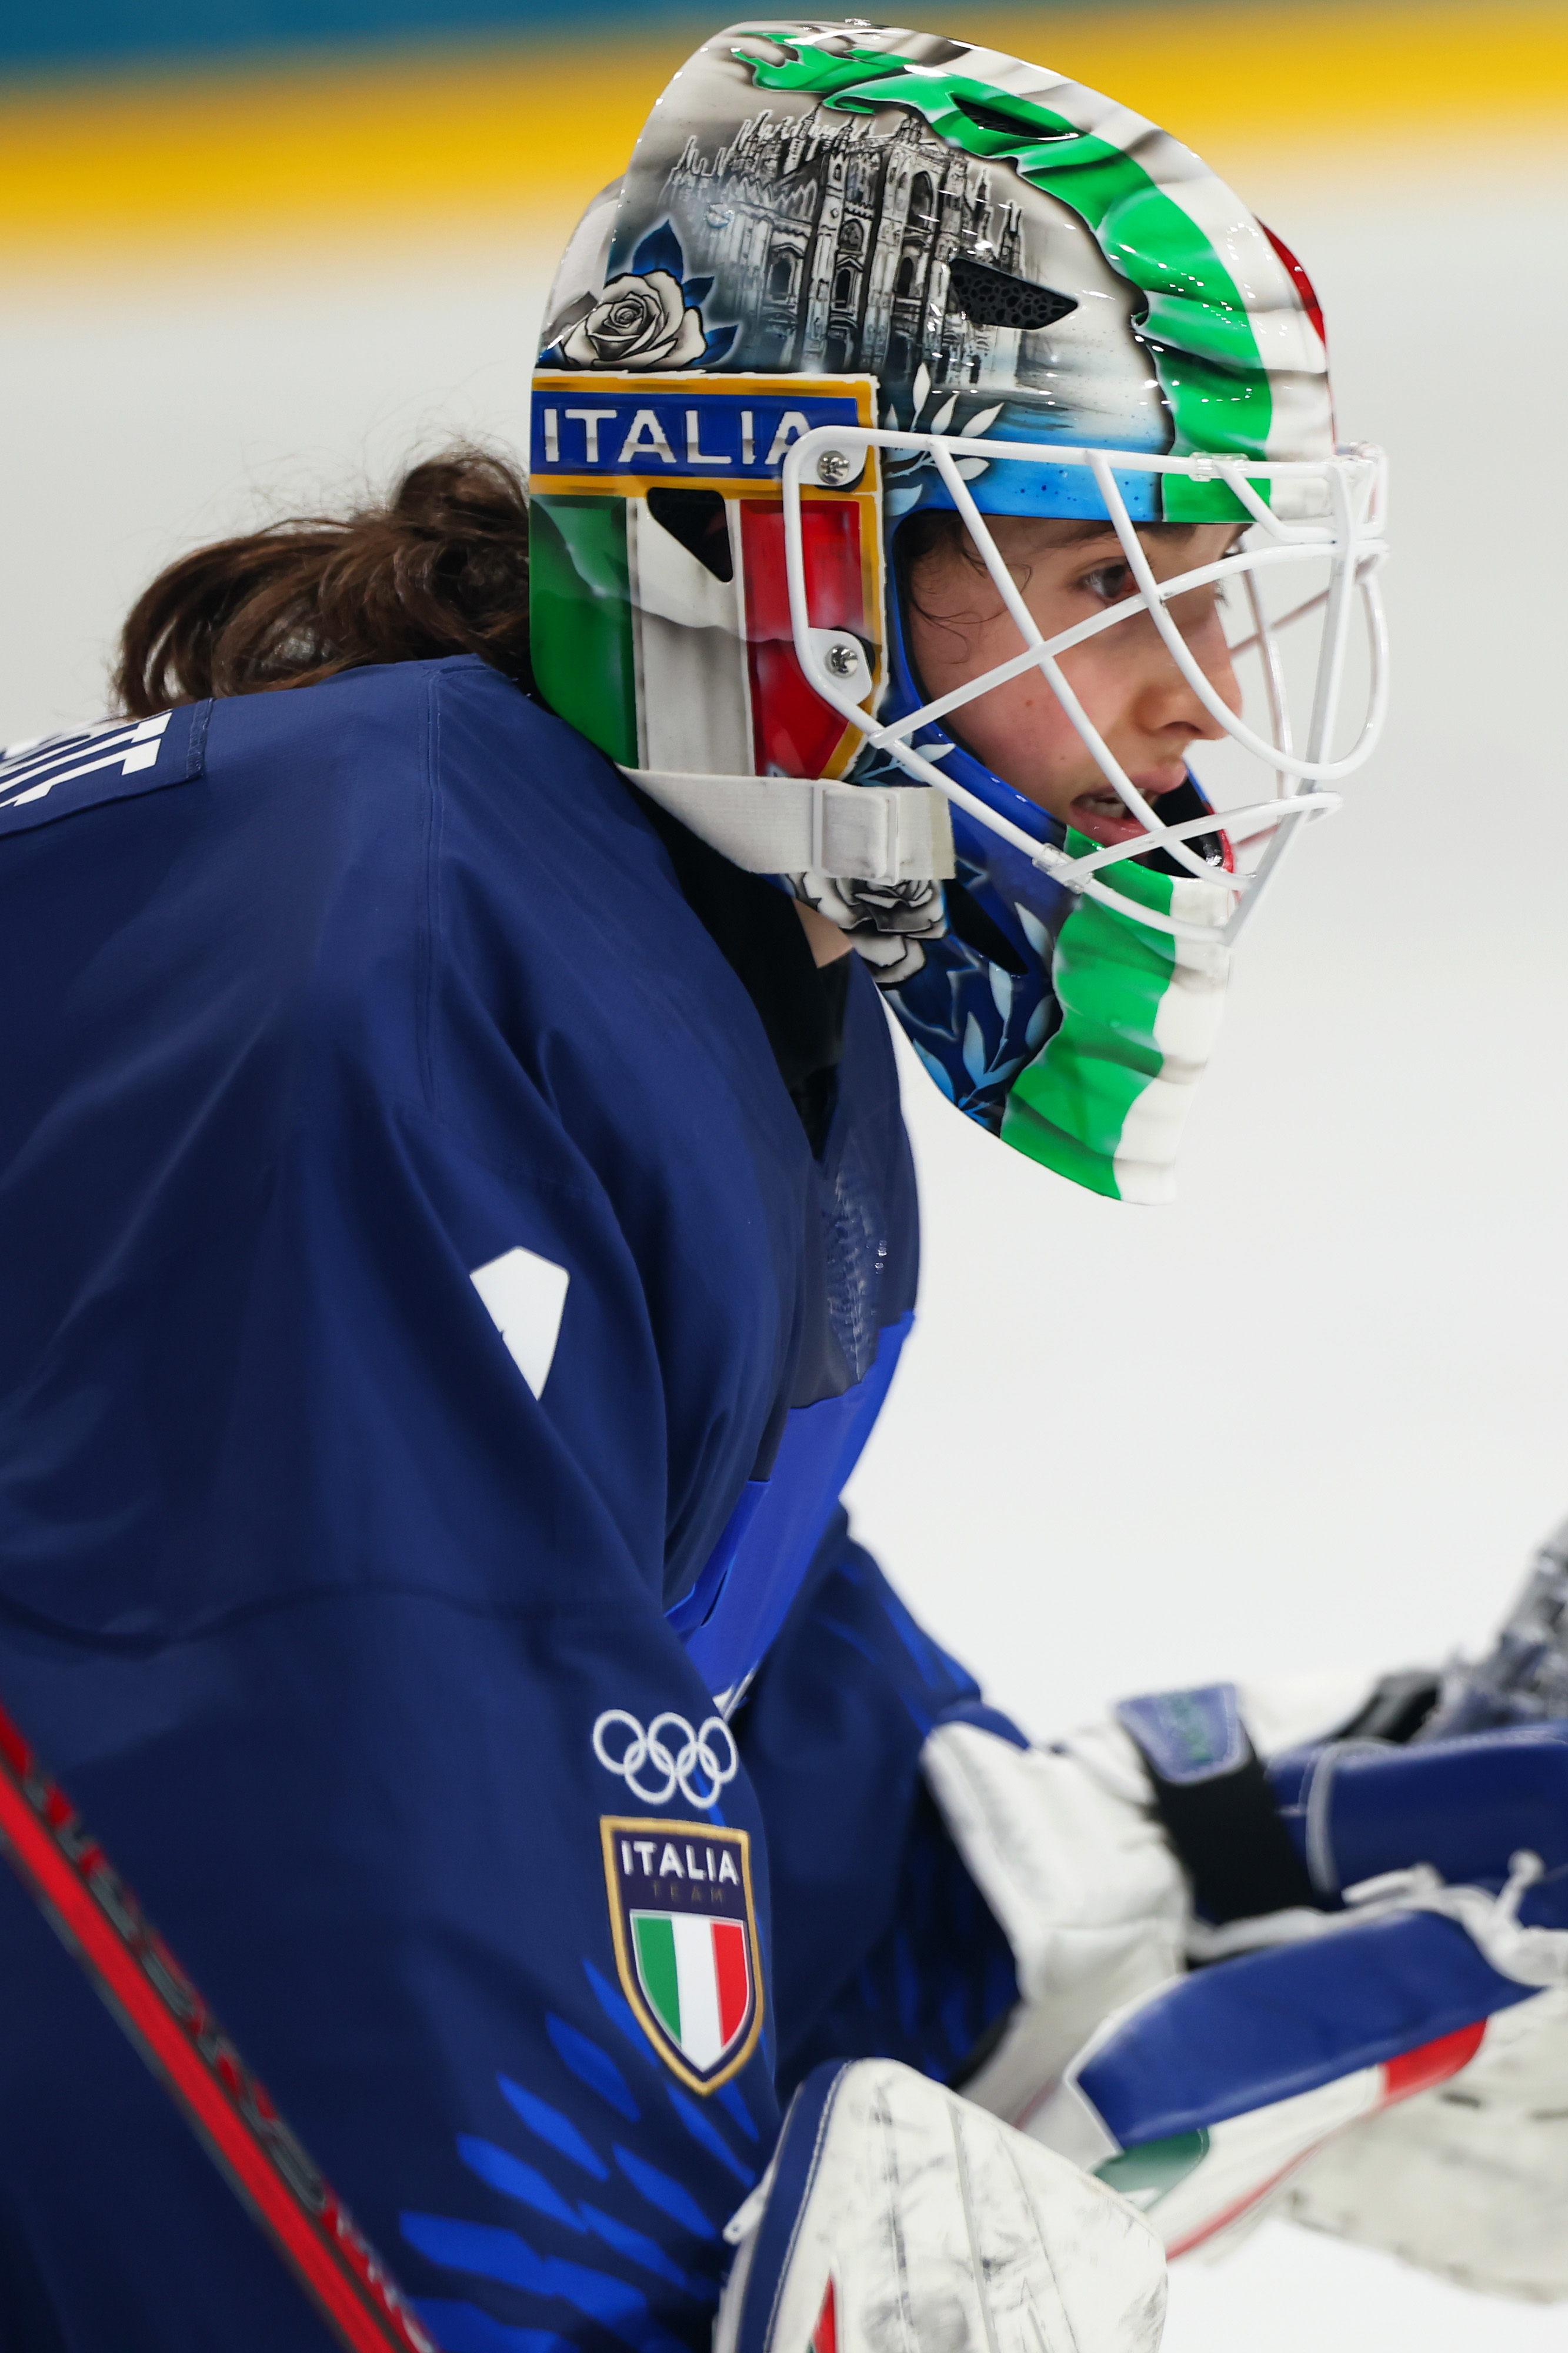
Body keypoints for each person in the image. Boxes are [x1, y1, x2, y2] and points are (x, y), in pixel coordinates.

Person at [1, 19, 1560, 2353]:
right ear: (792, 562)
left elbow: (633, 1692)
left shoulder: (678, 947)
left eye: (1221, 589)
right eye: (1112, 579)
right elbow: (328, 1981)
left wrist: (1170, 1871)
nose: (1206, 703)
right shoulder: (379, 993)